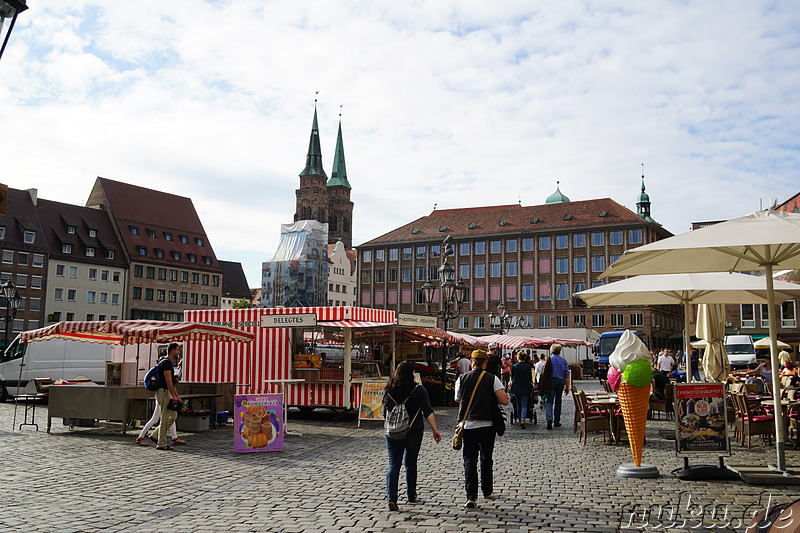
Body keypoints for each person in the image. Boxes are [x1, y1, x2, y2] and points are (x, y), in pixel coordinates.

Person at [383, 361, 441, 512]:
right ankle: (411, 495)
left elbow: (384, 412)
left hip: (393, 432)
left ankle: (392, 498)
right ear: (412, 373)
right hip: (413, 431)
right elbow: (427, 411)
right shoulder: (419, 390)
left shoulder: (389, 389)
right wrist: (435, 429)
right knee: (411, 463)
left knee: (393, 464)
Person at [455, 349, 509, 509]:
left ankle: (471, 495)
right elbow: (504, 401)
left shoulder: (462, 378)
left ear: (472, 361)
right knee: (486, 458)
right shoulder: (492, 379)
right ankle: (487, 490)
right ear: (486, 363)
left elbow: (457, 398)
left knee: (469, 460)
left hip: (468, 424)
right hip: (487, 424)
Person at [152, 343, 182, 451]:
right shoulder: (166, 363)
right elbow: (168, 381)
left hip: (166, 391)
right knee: (164, 418)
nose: (178, 352)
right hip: (163, 392)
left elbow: (171, 382)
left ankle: (155, 435)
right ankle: (161, 443)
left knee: (173, 415)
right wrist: (174, 395)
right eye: (177, 350)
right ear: (172, 350)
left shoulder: (168, 363)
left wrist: (176, 396)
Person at [541, 344, 571, 430]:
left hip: (550, 382)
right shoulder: (563, 361)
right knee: (558, 401)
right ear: (559, 351)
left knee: (549, 401)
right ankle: (557, 421)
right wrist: (567, 386)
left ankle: (549, 419)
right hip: (560, 382)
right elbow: (566, 375)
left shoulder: (548, 360)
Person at [509, 352, 533, 429]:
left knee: (518, 405)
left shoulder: (514, 366)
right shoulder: (528, 367)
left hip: (517, 387)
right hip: (526, 387)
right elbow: (530, 378)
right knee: (524, 405)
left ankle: (519, 419)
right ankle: (523, 419)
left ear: (518, 357)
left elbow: (512, 378)